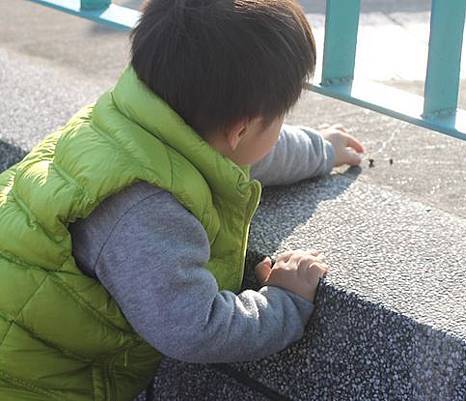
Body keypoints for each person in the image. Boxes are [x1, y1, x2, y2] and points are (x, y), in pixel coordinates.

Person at [0, 0, 365, 400]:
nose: (279, 129)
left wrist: (320, 150)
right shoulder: (145, 208)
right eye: (279, 119)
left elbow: (243, 155)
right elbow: (192, 328)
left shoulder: (135, 119)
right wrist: (286, 302)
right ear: (241, 130)